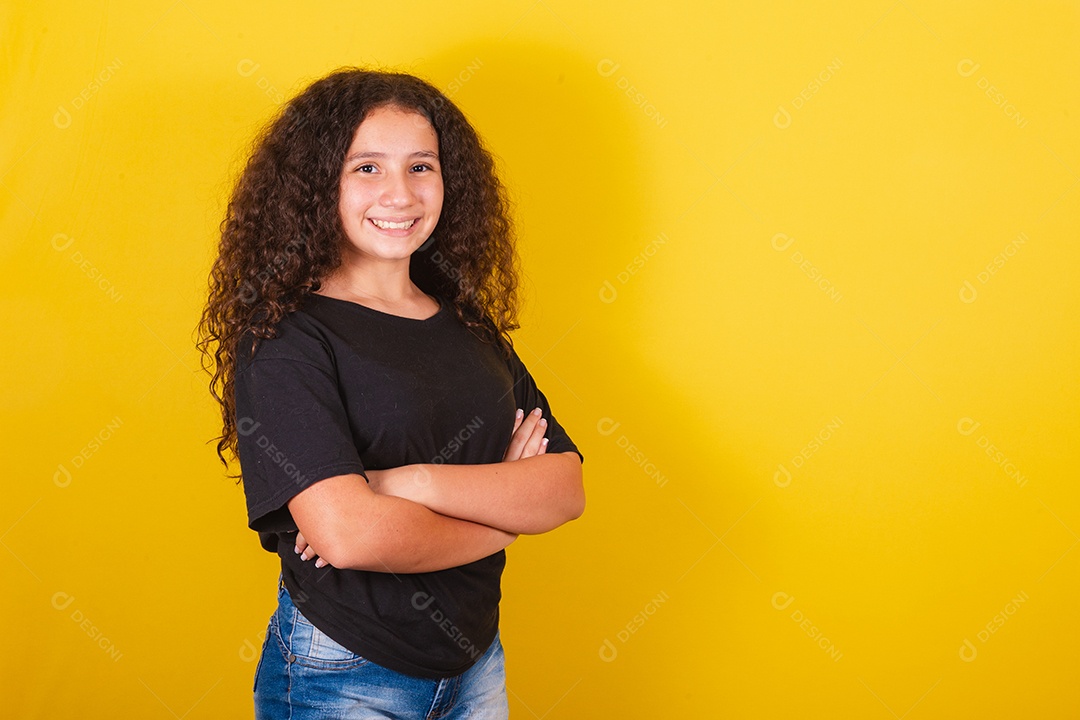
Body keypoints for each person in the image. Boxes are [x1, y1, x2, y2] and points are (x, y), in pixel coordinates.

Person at [196, 68, 585, 719]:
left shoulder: (467, 323)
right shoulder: (287, 339)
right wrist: (505, 524)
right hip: (342, 674)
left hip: (476, 664)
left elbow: (564, 488)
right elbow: (350, 536)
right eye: (367, 168)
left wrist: (406, 483)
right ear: (319, 183)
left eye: (421, 166)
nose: (400, 194)